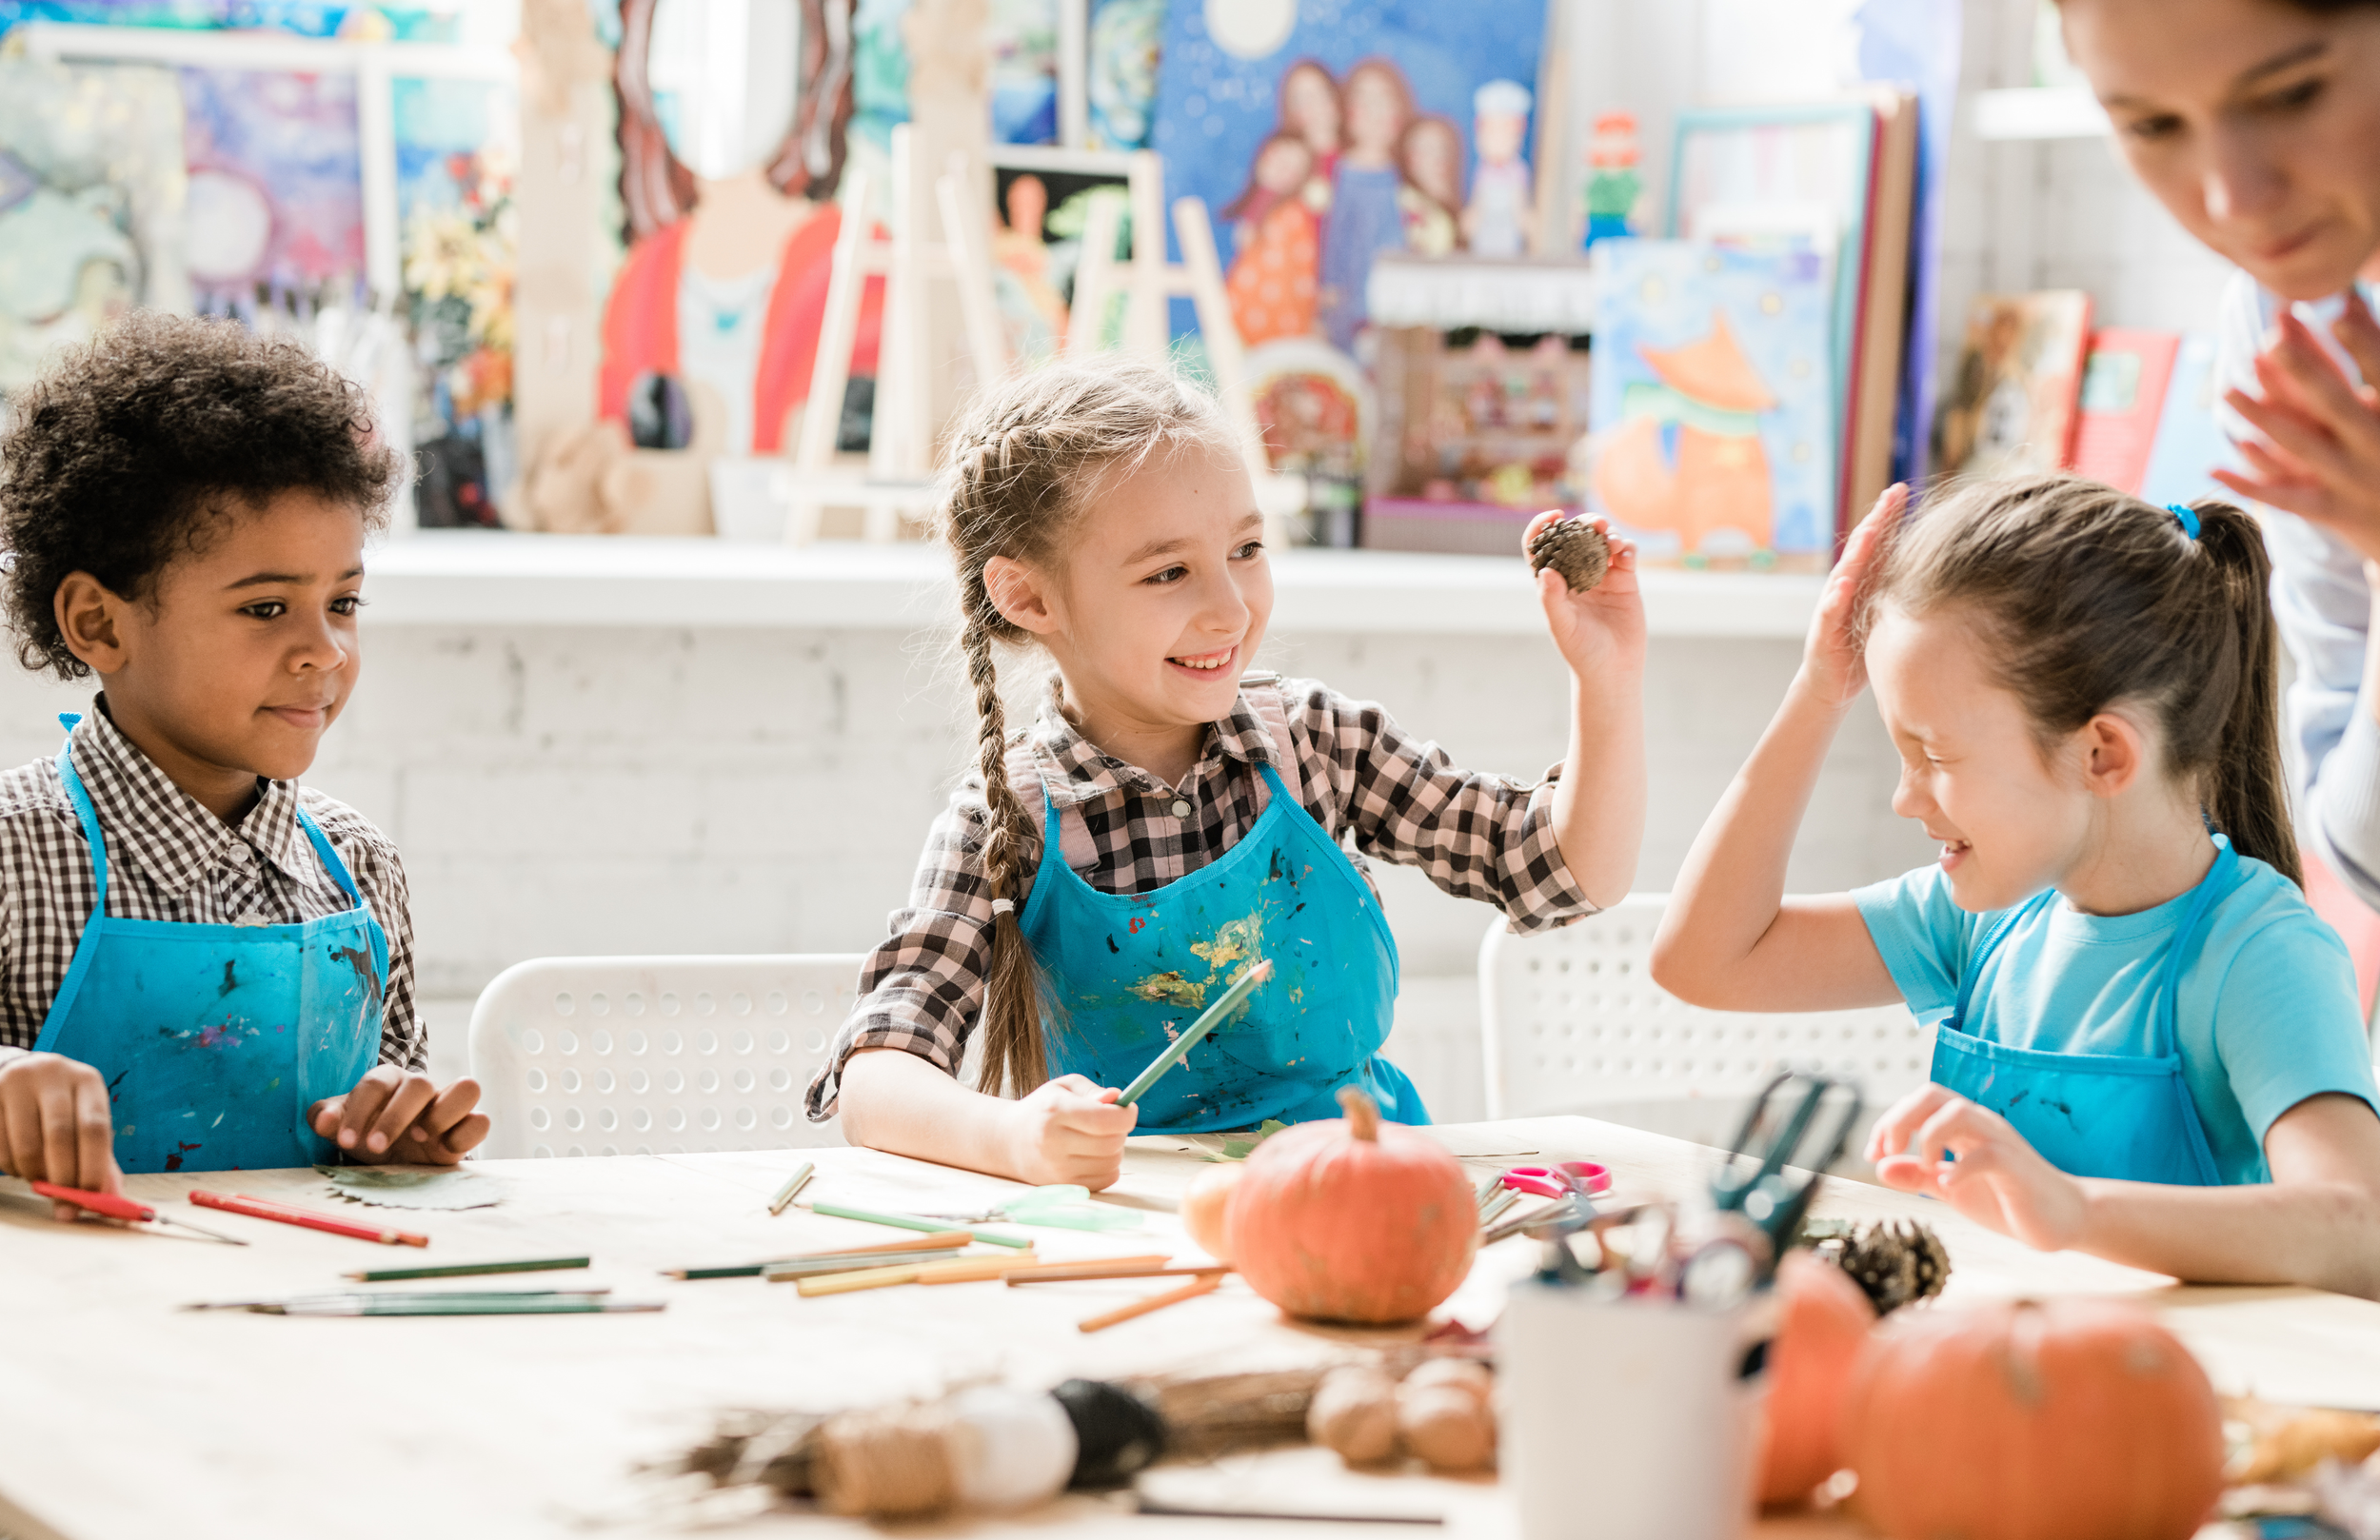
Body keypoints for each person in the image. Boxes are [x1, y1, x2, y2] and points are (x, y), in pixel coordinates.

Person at [808, 360, 1646, 1190]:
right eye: (1168, 571)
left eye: (1246, 549)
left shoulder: (1319, 743)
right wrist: (1014, 1137)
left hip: (1366, 1193)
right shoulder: (1008, 822)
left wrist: (1606, 681)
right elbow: (876, 1082)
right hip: (1137, 1223)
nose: (1233, 609)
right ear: (1029, 598)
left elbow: (1565, 874)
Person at [1653, 477, 2380, 1295]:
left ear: (2101, 753)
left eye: (1936, 756)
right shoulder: (1983, 916)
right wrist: (1818, 691)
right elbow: (1704, 961)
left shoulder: (2258, 954)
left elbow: (2357, 1230)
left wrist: (2074, 1210)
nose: (1906, 798)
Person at [0, 314, 488, 1215]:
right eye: (266, 609)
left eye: (342, 601)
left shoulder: (358, 866)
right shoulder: (12, 855)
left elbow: (386, 1134)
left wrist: (402, 1131)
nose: (326, 651)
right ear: (100, 624)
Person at [2053, 0, 2380, 915]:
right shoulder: (2287, 327)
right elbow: (2366, 856)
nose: (2235, 197)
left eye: (2292, 93)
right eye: (2153, 125)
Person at [1318, 59, 1414, 352]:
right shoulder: (1346, 171)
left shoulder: (1402, 171)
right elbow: (1338, 232)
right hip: (1354, 288)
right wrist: (1331, 282)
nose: (1374, 112)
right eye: (1364, 101)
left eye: (1383, 100)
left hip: (1398, 284)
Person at [1222, 132, 1322, 345]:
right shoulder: (1259, 205)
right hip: (1246, 301)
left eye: (1293, 169)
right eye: (1278, 160)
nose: (1282, 171)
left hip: (1276, 308)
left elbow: (1292, 267)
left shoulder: (1292, 213)